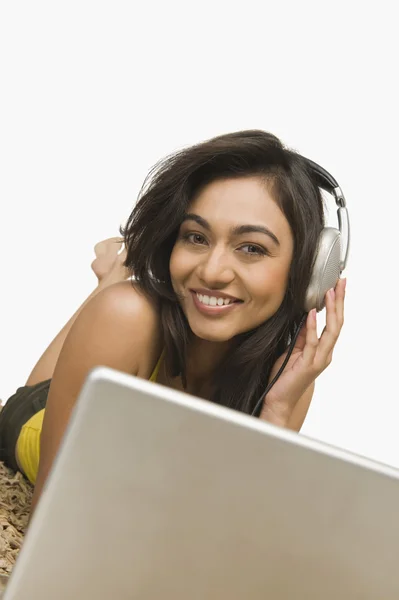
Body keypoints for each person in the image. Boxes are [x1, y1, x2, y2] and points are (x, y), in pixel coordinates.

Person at [0, 130, 346, 514]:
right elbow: (50, 519)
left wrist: (277, 412)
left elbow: (232, 530)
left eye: (252, 248)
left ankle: (113, 276)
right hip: (35, 414)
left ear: (310, 272)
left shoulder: (287, 379)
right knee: (110, 316)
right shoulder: (126, 319)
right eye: (196, 237)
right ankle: (112, 282)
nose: (213, 271)